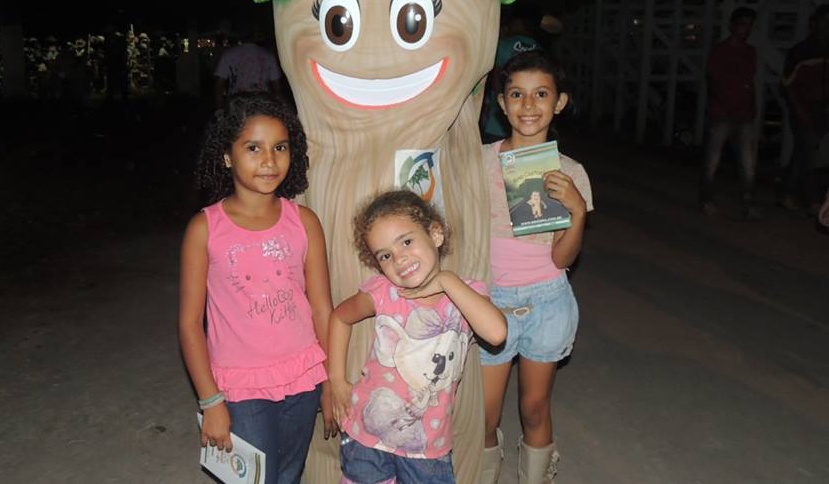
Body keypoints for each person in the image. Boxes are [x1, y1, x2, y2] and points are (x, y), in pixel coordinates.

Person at [179, 94, 338, 484]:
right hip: (240, 385)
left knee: (288, 474)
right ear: (227, 155)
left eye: (280, 147)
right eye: (254, 148)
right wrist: (210, 399)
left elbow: (322, 309)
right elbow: (188, 324)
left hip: (303, 374)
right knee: (254, 480)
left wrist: (333, 380)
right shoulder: (205, 229)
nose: (269, 160)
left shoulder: (304, 222)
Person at [328, 190, 507, 484]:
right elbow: (339, 317)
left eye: (407, 242)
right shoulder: (382, 292)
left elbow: (497, 333)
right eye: (385, 255)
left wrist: (446, 281)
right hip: (365, 436)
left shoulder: (464, 295)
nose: (400, 259)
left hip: (428, 444)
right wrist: (336, 380)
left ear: (435, 234)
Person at [479, 50, 593, 484]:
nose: (529, 105)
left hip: (547, 300)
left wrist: (578, 212)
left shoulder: (571, 173)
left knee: (534, 407)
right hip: (492, 302)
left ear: (559, 102)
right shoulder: (478, 162)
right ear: (502, 104)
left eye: (541, 94)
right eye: (517, 95)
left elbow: (563, 259)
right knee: (484, 416)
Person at [701, 7, 761, 218]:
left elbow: (749, 82)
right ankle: (707, 199)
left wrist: (751, 108)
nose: (746, 29)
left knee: (748, 163)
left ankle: (748, 202)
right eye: (742, 24)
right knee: (712, 160)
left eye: (749, 24)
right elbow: (714, 82)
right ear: (732, 26)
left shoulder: (750, 51)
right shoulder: (720, 51)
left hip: (744, 115)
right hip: (723, 114)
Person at [780, 4, 829, 216]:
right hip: (804, 108)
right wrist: (800, 112)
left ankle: (786, 194)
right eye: (825, 21)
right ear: (814, 23)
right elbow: (788, 86)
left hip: (824, 109)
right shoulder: (801, 51)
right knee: (807, 154)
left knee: (802, 153)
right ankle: (813, 200)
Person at [480, 8, 542, 143]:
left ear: (519, 23)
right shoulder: (538, 47)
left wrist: (500, 101)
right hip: (531, 123)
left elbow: (495, 78)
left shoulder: (503, 45)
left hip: (498, 123)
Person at [213, 33, 284, 109]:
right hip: (261, 105)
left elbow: (219, 85)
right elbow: (277, 87)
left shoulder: (228, 54)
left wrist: (219, 109)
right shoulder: (268, 55)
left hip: (236, 105)